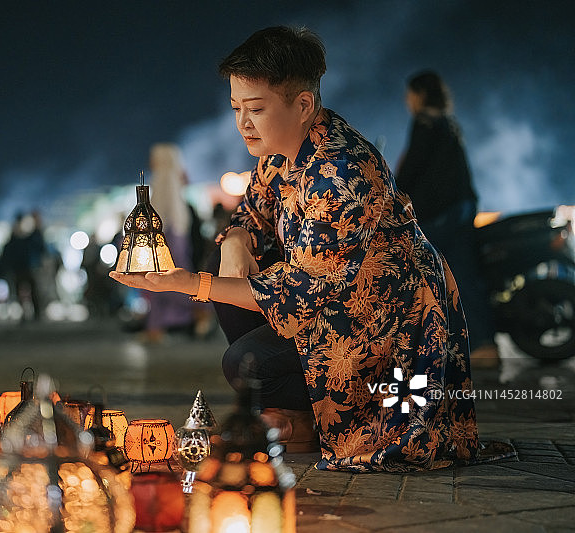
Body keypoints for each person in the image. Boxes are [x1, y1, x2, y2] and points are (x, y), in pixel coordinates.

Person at [111, 26, 514, 472]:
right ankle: (298, 417)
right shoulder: (280, 151)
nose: (243, 123)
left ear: (303, 105)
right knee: (223, 264)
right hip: (327, 300)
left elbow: (295, 296)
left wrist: (186, 284)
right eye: (236, 108)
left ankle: (314, 420)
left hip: (384, 321)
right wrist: (238, 240)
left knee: (245, 362)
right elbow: (252, 209)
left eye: (256, 109)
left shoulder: (339, 173)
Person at [395, 71, 498, 368]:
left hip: (445, 214)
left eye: (410, 94)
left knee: (447, 275)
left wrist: (394, 191)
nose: (407, 101)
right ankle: (471, 343)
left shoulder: (426, 123)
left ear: (420, 94)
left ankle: (478, 345)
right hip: (461, 208)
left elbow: (412, 169)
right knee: (462, 274)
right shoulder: (448, 124)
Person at [142, 143, 196, 342]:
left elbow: (160, 215)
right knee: (162, 282)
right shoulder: (171, 178)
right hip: (174, 236)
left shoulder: (164, 179)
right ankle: (156, 327)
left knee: (162, 281)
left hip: (166, 238)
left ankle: (202, 306)